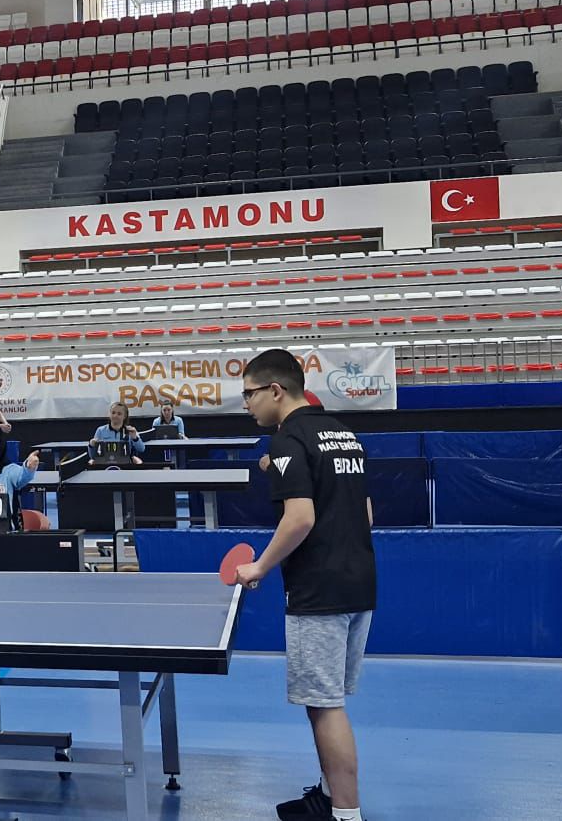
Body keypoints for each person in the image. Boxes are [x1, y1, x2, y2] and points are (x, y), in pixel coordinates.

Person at [231, 348, 376, 821]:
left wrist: (260, 567)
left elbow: (300, 518)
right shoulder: (342, 434)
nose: (246, 404)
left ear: (275, 390)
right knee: (330, 700)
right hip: (359, 581)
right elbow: (365, 511)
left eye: (249, 394)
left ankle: (346, 815)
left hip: (318, 591)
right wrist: (277, 465)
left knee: (324, 706)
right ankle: (329, 796)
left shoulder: (287, 441)